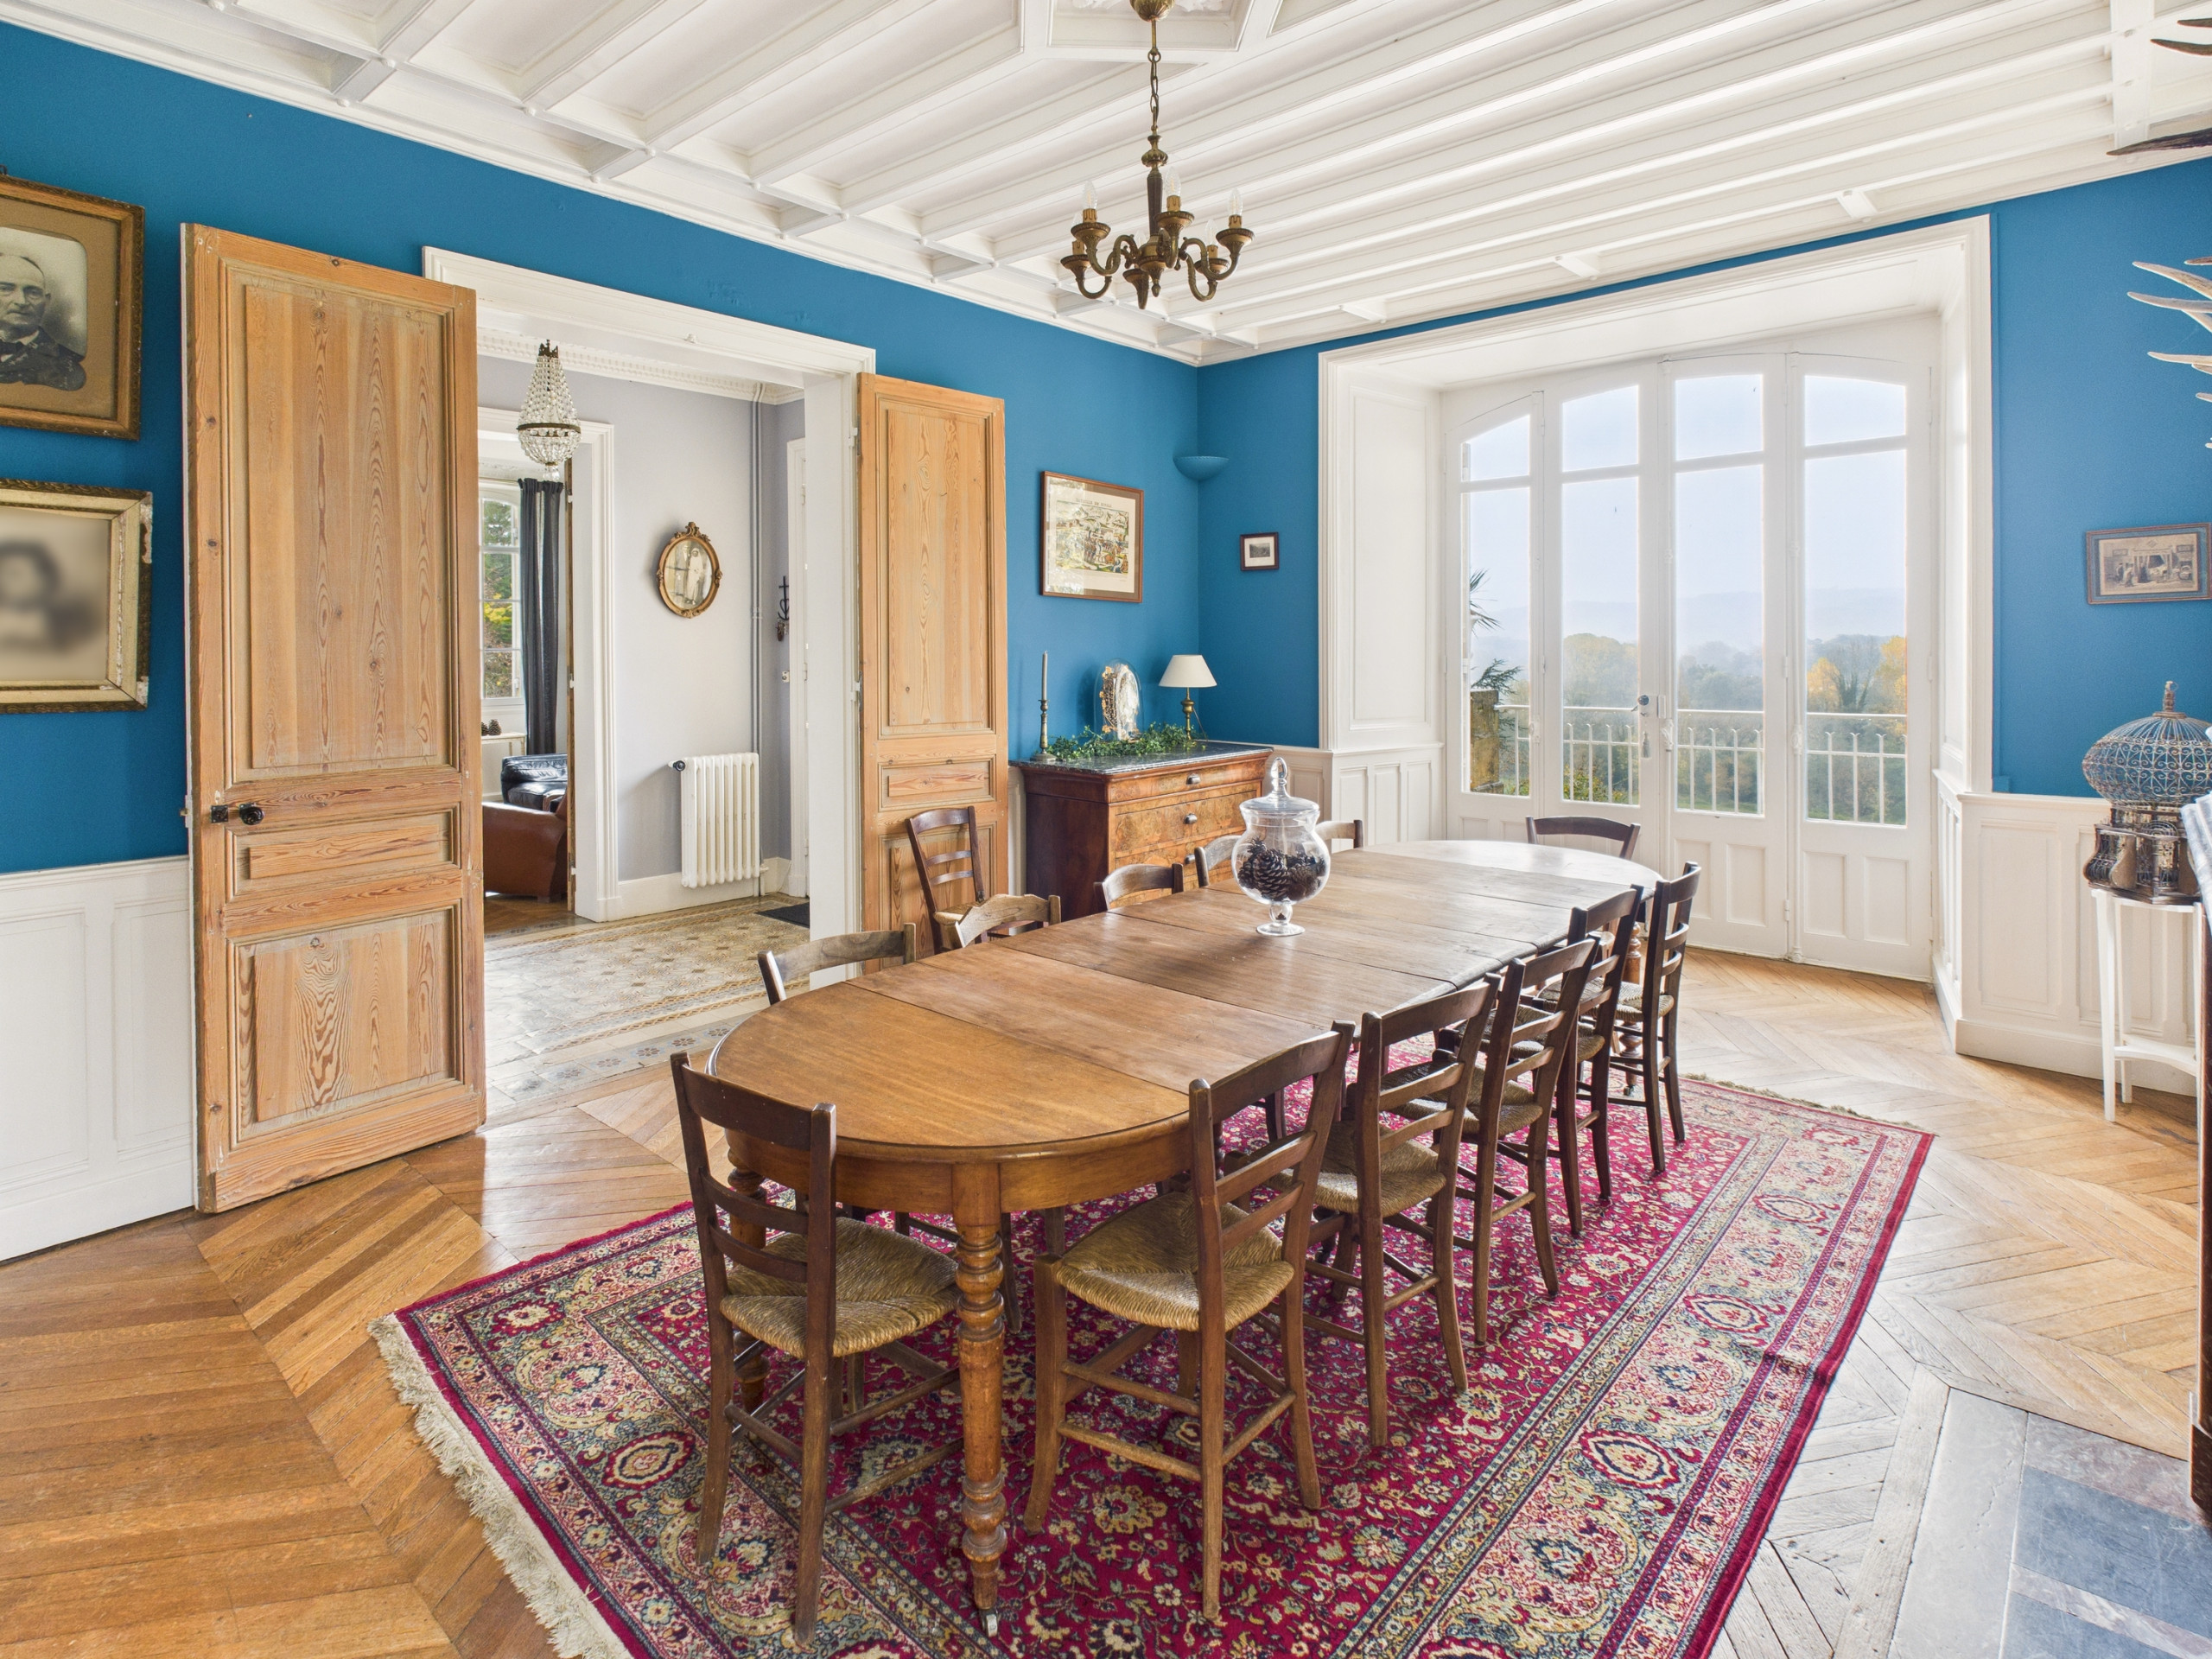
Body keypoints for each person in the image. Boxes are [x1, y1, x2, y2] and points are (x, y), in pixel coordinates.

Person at [0, 253, 87, 391]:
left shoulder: (71, 366)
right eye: (5, 289)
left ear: (46, 302)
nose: (21, 301)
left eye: (33, 292)